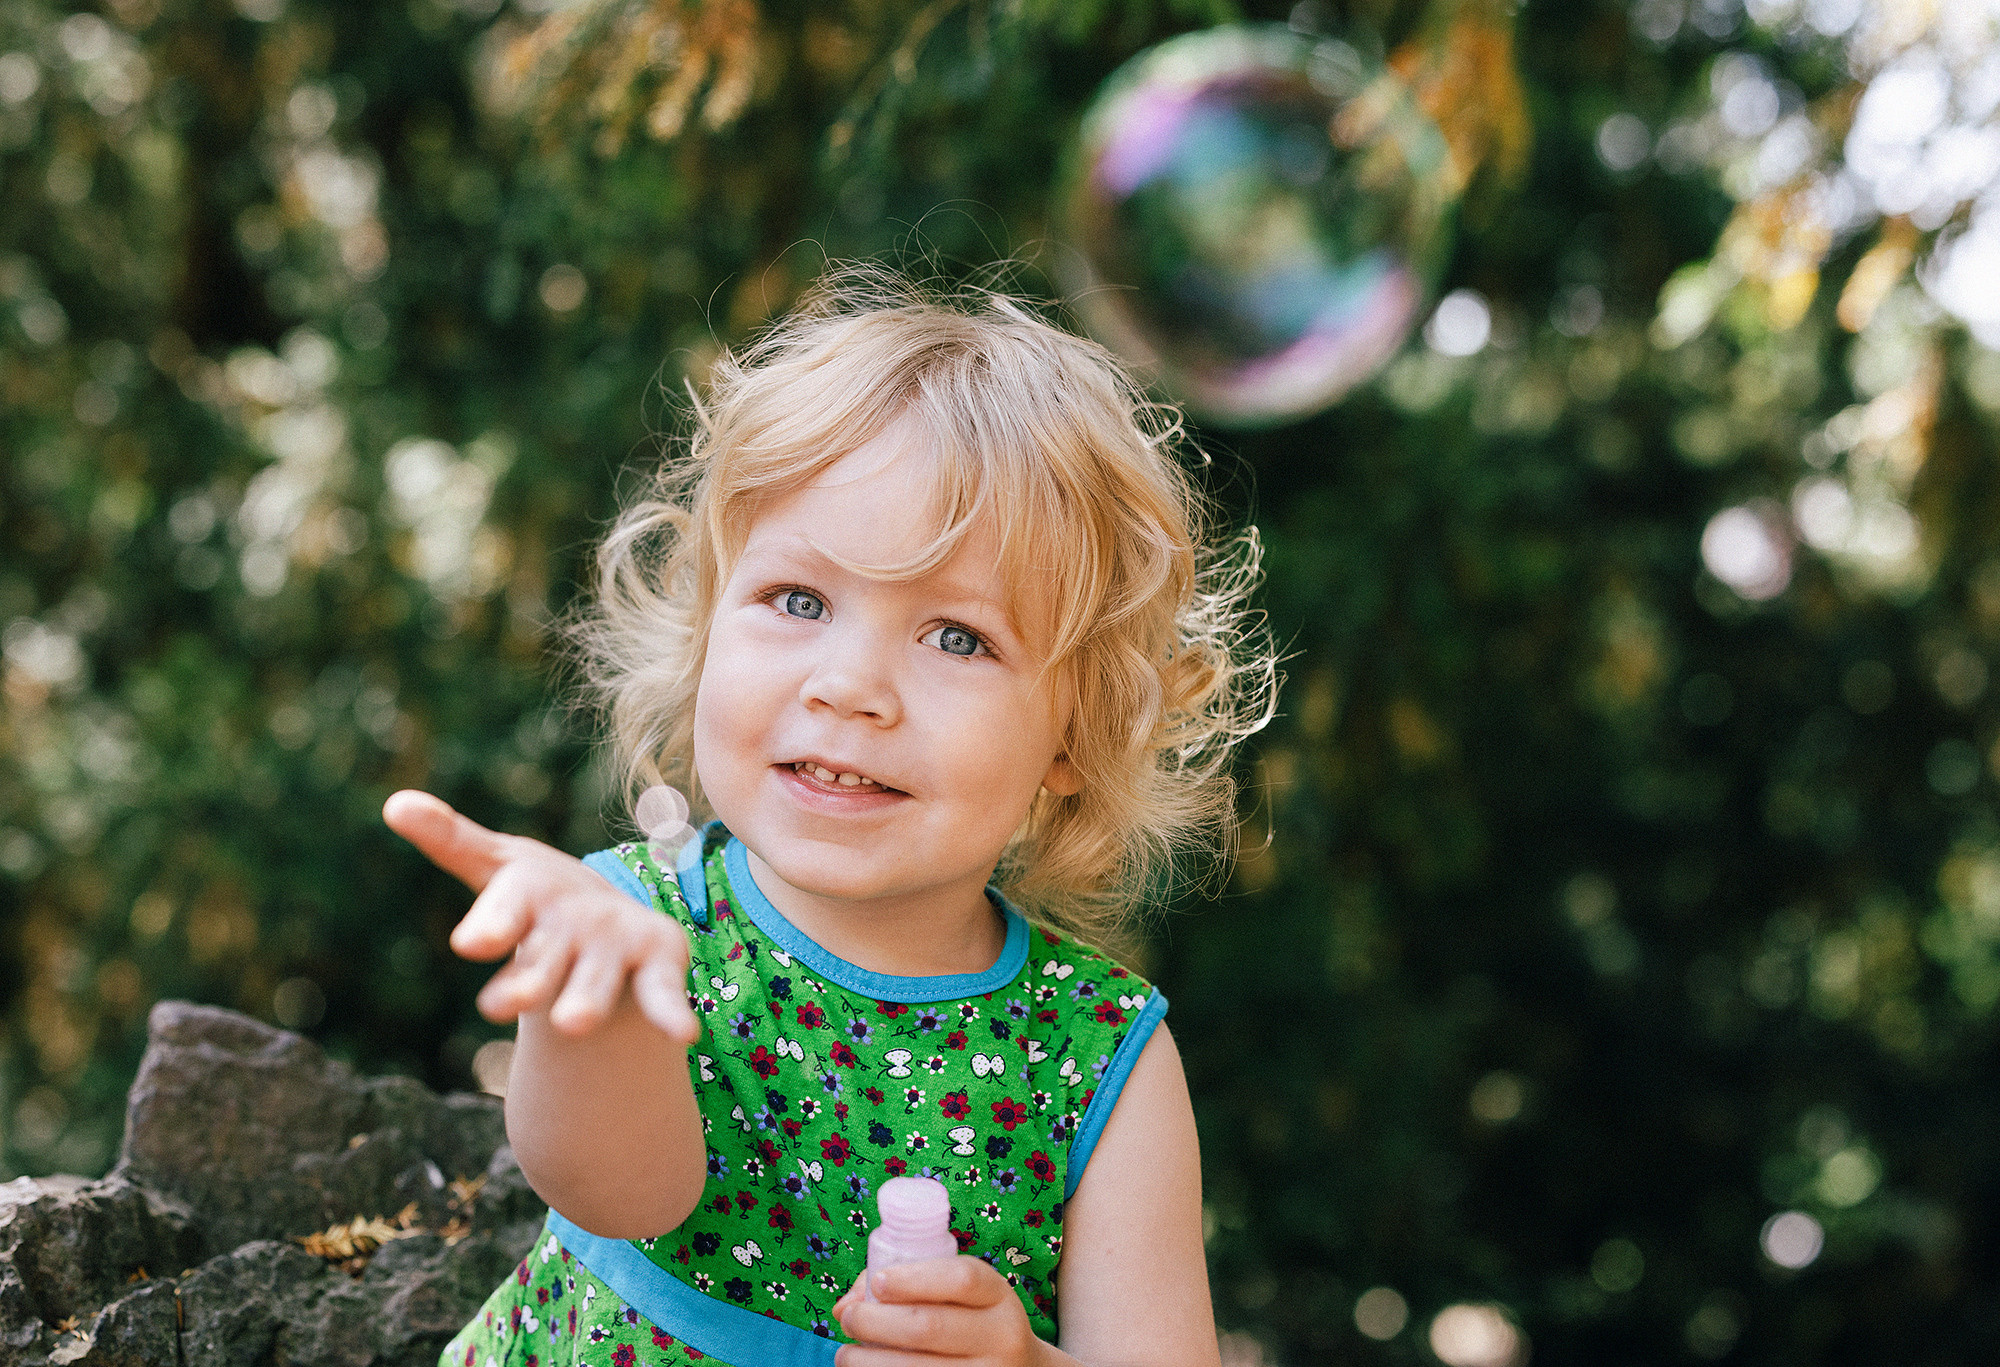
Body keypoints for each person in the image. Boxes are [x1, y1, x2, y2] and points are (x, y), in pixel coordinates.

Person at [386, 266, 1276, 1367]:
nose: (850, 683)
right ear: (707, 629)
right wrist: (597, 1006)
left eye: (956, 635)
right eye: (797, 601)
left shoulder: (1098, 1056)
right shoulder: (638, 928)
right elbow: (614, 1187)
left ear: (1067, 738)